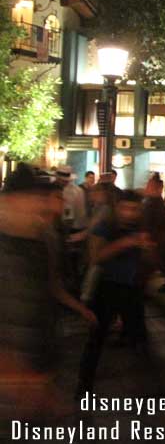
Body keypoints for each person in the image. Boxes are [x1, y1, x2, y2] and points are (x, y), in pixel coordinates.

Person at [0, 164, 96, 419]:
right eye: (32, 198)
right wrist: (16, 374)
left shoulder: (41, 239)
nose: (39, 206)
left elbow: (49, 284)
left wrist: (78, 308)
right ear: (11, 200)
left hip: (37, 366)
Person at [77, 191, 154, 396]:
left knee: (140, 339)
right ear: (116, 208)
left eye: (134, 209)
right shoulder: (105, 227)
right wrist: (125, 243)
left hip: (131, 289)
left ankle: (149, 387)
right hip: (106, 288)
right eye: (125, 208)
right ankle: (84, 388)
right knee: (96, 339)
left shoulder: (139, 228)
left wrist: (147, 250)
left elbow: (147, 259)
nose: (129, 213)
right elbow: (95, 257)